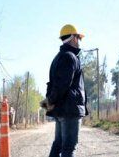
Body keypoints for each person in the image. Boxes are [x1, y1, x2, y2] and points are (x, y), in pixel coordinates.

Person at [44, 24, 88, 157]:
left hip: (61, 110)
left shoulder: (58, 57)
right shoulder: (70, 57)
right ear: (73, 38)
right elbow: (61, 85)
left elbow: (55, 85)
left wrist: (49, 103)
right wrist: (49, 101)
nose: (79, 41)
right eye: (78, 38)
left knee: (58, 145)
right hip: (70, 110)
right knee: (69, 148)